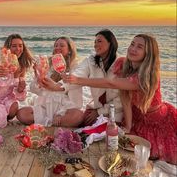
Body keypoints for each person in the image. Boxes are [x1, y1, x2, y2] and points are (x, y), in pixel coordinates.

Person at [65, 34, 177, 164]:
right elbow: (125, 99)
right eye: (132, 44)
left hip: (158, 120)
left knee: (160, 159)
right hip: (137, 117)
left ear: (148, 53)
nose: (133, 49)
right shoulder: (124, 65)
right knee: (126, 149)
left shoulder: (146, 76)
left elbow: (111, 83)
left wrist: (78, 80)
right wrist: (128, 125)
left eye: (139, 47)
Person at [17, 36, 83, 127]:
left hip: (63, 107)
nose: (57, 48)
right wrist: (37, 77)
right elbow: (34, 90)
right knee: (22, 114)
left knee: (78, 115)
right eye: (55, 45)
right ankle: (51, 122)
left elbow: (75, 96)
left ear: (69, 50)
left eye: (61, 45)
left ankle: (52, 120)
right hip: (45, 106)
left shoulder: (75, 67)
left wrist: (61, 113)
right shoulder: (47, 64)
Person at [72, 29, 122, 126]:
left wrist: (99, 112)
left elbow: (122, 100)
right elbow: (78, 73)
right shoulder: (91, 60)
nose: (95, 45)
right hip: (96, 108)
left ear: (110, 43)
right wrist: (60, 85)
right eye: (94, 42)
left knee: (101, 132)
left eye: (99, 41)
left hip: (116, 113)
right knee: (79, 126)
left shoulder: (121, 64)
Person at [0, 34, 34, 130]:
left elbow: (19, 96)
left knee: (14, 107)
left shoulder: (21, 66)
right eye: (14, 46)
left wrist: (20, 88)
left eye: (20, 45)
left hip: (8, 98)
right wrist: (13, 77)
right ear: (8, 48)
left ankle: (5, 117)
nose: (18, 49)